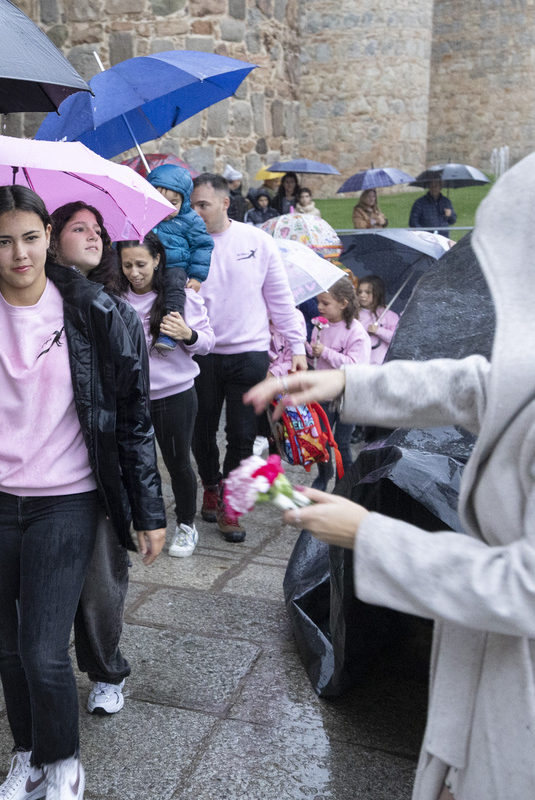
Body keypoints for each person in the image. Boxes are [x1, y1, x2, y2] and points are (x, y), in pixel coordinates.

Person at [242, 151, 535, 800]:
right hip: (491, 656)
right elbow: (482, 385)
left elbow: (526, 588)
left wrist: (368, 534)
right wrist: (349, 382)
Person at [0, 185, 166, 800]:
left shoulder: (94, 310)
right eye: (3, 241)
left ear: (49, 238)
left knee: (42, 650)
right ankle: (27, 756)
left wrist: (149, 510)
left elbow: (132, 416)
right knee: (9, 649)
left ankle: (63, 764)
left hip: (67, 500)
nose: (19, 253)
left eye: (30, 237)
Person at [49, 201, 137, 716]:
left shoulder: (112, 308)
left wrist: (143, 503)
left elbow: (133, 408)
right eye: (79, 228)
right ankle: (48, 668)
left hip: (95, 465)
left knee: (101, 579)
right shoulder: (20, 302)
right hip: (38, 469)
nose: (94, 235)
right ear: (53, 236)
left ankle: (107, 670)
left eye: (98, 229)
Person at [189, 173, 308, 541]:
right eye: (191, 205)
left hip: (249, 354)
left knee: (241, 435)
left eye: (203, 205)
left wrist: (298, 346)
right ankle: (211, 484)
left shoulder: (258, 241)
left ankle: (232, 503)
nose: (195, 212)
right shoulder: (186, 245)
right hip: (201, 353)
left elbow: (280, 298)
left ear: (225, 203)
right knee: (201, 429)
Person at [118, 233, 214, 559]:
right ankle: (143, 521)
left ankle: (187, 525)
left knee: (177, 463)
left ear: (157, 260)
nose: (134, 272)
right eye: (127, 265)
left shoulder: (179, 298)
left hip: (174, 395)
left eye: (141, 264)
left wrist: (188, 334)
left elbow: (207, 343)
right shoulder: (115, 297)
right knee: (133, 463)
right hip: (132, 397)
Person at [306, 278, 370, 492]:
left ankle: (346, 485)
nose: (320, 307)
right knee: (322, 441)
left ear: (343, 303)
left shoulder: (356, 331)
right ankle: (324, 475)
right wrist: (308, 352)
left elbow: (355, 365)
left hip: (348, 396)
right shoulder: (319, 325)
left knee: (342, 444)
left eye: (326, 303)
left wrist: (325, 352)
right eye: (318, 302)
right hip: (323, 393)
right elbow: (315, 360)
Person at [145, 164, 214, 351]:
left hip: (175, 266)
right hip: (147, 265)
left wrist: (197, 276)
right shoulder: (144, 215)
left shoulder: (190, 220)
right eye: (161, 201)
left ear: (183, 202)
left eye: (173, 203)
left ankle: (169, 331)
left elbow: (203, 246)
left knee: (175, 291)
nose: (166, 208)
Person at [356, 275, 399, 365]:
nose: (362, 295)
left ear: (377, 293)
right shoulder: (354, 314)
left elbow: (397, 339)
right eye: (359, 292)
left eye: (367, 292)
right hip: (357, 364)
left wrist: (379, 330)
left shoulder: (390, 316)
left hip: (379, 365)